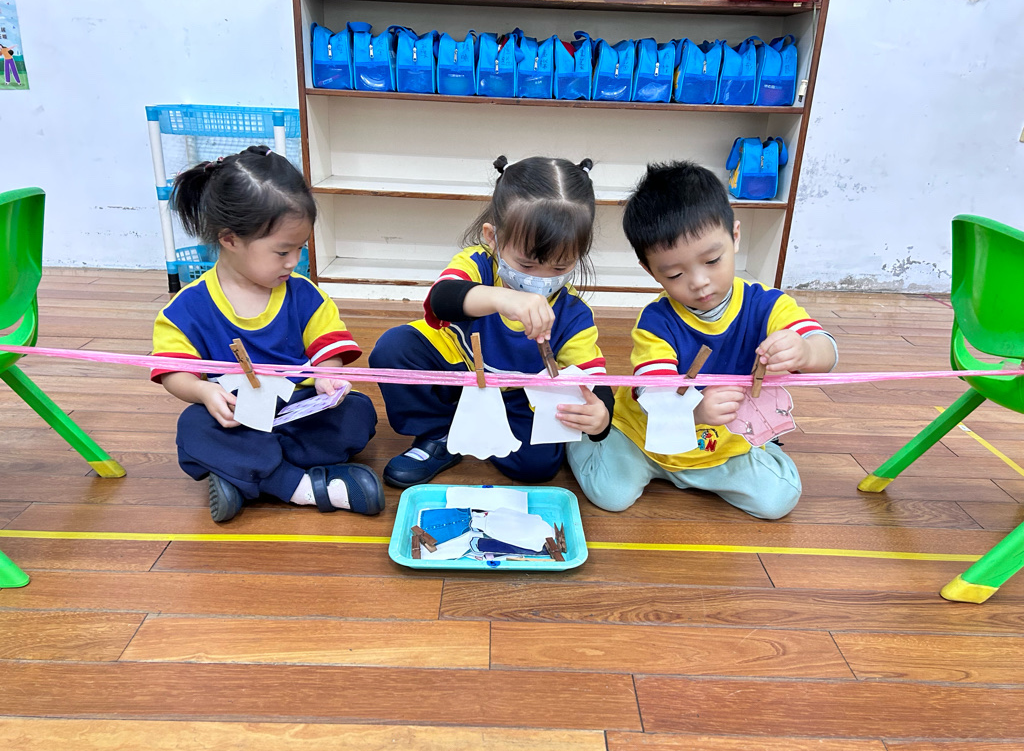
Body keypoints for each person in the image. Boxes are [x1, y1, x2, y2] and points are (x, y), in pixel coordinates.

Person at [568, 160, 838, 519]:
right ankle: (580, 440)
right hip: (644, 441)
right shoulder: (656, 322)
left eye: (712, 260)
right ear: (650, 271)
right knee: (611, 495)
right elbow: (656, 398)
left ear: (735, 236)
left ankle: (764, 444)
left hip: (722, 448)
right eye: (675, 274)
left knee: (778, 500)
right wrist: (695, 411)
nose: (699, 282)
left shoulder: (768, 306)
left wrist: (804, 350)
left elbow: (826, 351)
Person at [151, 145, 384, 522]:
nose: (294, 261)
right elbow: (175, 372)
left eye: (300, 248)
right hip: (236, 417)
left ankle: (247, 474)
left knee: (357, 413)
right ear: (229, 239)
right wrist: (203, 392)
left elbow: (328, 346)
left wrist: (326, 375)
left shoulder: (305, 294)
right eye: (282, 252)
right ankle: (299, 486)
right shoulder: (186, 309)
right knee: (194, 427)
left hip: (297, 410)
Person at [368, 155, 614, 488]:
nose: (542, 279)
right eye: (526, 265)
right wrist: (501, 298)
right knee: (394, 348)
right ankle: (439, 433)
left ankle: (479, 426)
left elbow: (593, 380)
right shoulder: (478, 264)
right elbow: (442, 300)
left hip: (517, 395)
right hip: (458, 371)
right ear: (492, 237)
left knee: (539, 467)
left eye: (559, 268)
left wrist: (601, 418)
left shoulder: (573, 315)